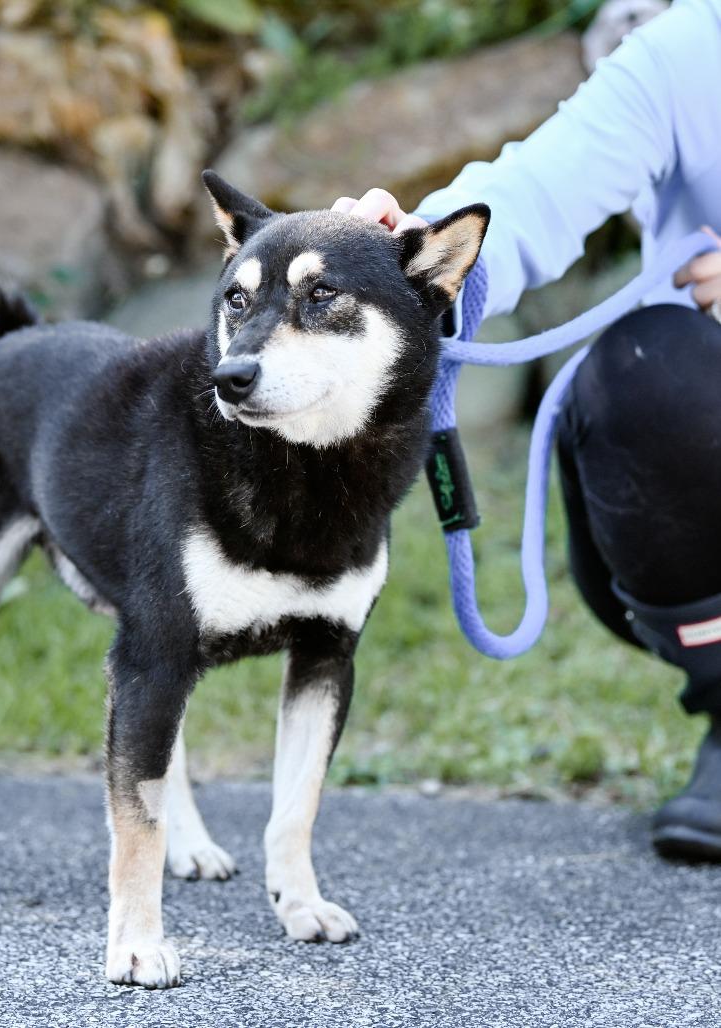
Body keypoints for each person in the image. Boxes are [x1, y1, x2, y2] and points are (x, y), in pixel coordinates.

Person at [333, 0, 721, 859]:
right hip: (695, 463)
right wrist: (408, 257)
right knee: (644, 368)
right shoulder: (689, 51)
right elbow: (534, 192)